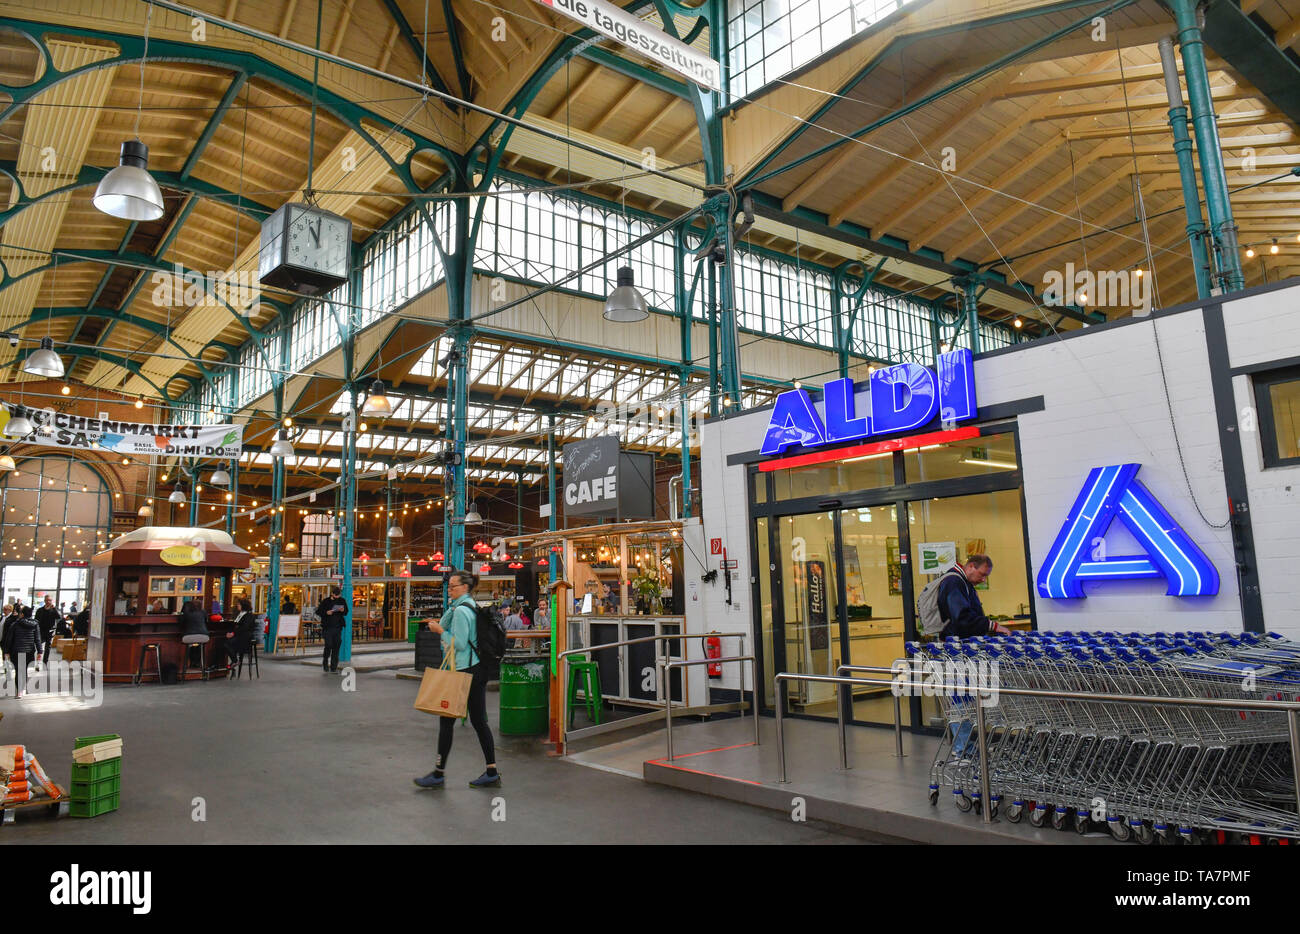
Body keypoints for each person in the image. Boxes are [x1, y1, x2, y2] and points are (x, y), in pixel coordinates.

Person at [414, 570, 499, 789]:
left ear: (464, 587)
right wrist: (450, 609)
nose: (448, 589)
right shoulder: (468, 606)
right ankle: (491, 770)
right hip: (475, 669)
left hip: (465, 670)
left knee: (448, 720)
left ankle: (439, 774)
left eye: (452, 586)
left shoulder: (462, 611)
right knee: (478, 721)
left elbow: (459, 643)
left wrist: (440, 630)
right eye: (448, 586)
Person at [936, 555, 1010, 639]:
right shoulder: (953, 582)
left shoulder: (964, 582)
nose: (983, 580)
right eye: (982, 574)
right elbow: (961, 617)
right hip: (957, 644)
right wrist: (992, 626)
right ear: (971, 566)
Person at [3, 606, 40, 698]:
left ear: (22, 614)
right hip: (29, 651)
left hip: (17, 651)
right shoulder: (35, 624)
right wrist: (40, 651)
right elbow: (37, 639)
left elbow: (9, 639)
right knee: (24, 671)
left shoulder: (15, 624)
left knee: (19, 671)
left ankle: (19, 691)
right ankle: (22, 689)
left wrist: (6, 651)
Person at [315, 585, 347, 673]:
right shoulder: (326, 601)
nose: (337, 597)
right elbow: (318, 611)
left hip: (338, 627)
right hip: (327, 627)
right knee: (328, 645)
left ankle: (333, 667)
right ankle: (325, 662)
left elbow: (346, 612)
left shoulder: (342, 600)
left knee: (336, 647)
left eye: (338, 595)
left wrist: (342, 611)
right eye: (335, 595)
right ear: (332, 593)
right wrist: (326, 612)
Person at [223, 599, 258, 670]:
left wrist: (233, 633)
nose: (237, 605)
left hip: (245, 637)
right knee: (225, 642)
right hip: (239, 635)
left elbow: (244, 627)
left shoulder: (248, 615)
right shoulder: (241, 614)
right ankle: (233, 661)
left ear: (243, 605)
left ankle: (235, 661)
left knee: (226, 643)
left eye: (239, 604)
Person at [34, 595, 61, 669]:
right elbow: (36, 620)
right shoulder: (40, 610)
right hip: (41, 631)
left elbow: (59, 617)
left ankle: (45, 662)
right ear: (44, 601)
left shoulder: (54, 610)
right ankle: (38, 663)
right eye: (47, 600)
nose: (48, 602)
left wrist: (54, 608)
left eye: (50, 600)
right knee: (40, 647)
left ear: (52, 601)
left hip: (50, 631)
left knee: (48, 648)